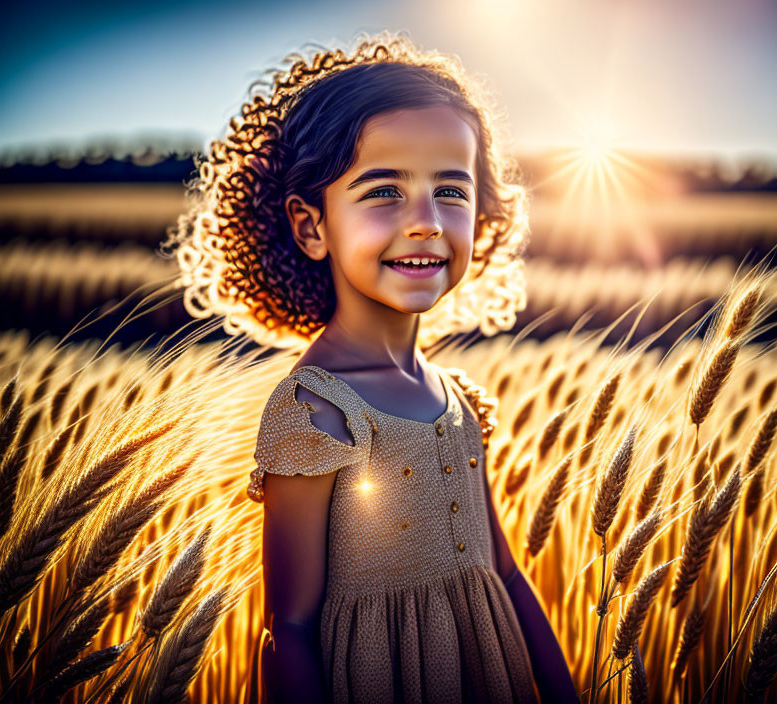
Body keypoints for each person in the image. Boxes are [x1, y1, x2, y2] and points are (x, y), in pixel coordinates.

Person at [164, 30, 579, 704]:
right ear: (311, 226)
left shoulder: (458, 397)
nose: (425, 223)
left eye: (451, 191)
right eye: (384, 192)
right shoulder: (315, 412)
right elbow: (289, 626)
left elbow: (502, 571)